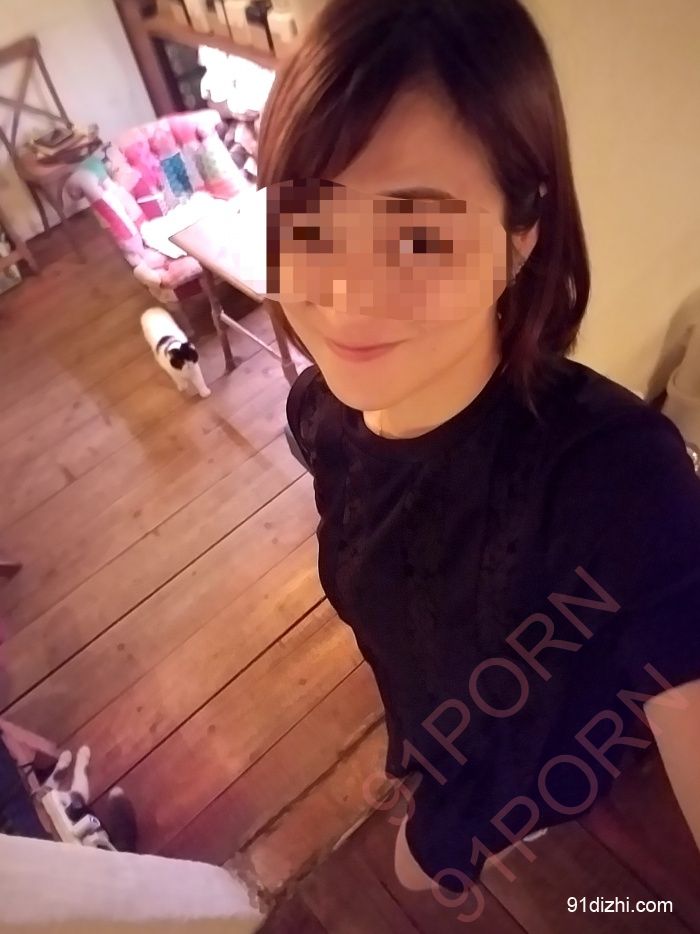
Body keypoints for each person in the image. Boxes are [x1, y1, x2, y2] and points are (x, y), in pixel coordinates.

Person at [257, 0, 700, 898]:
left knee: (417, 876)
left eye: (419, 237)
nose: (344, 297)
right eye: (312, 220)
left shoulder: (620, 478)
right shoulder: (321, 413)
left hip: (528, 776)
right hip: (430, 734)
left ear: (522, 233)